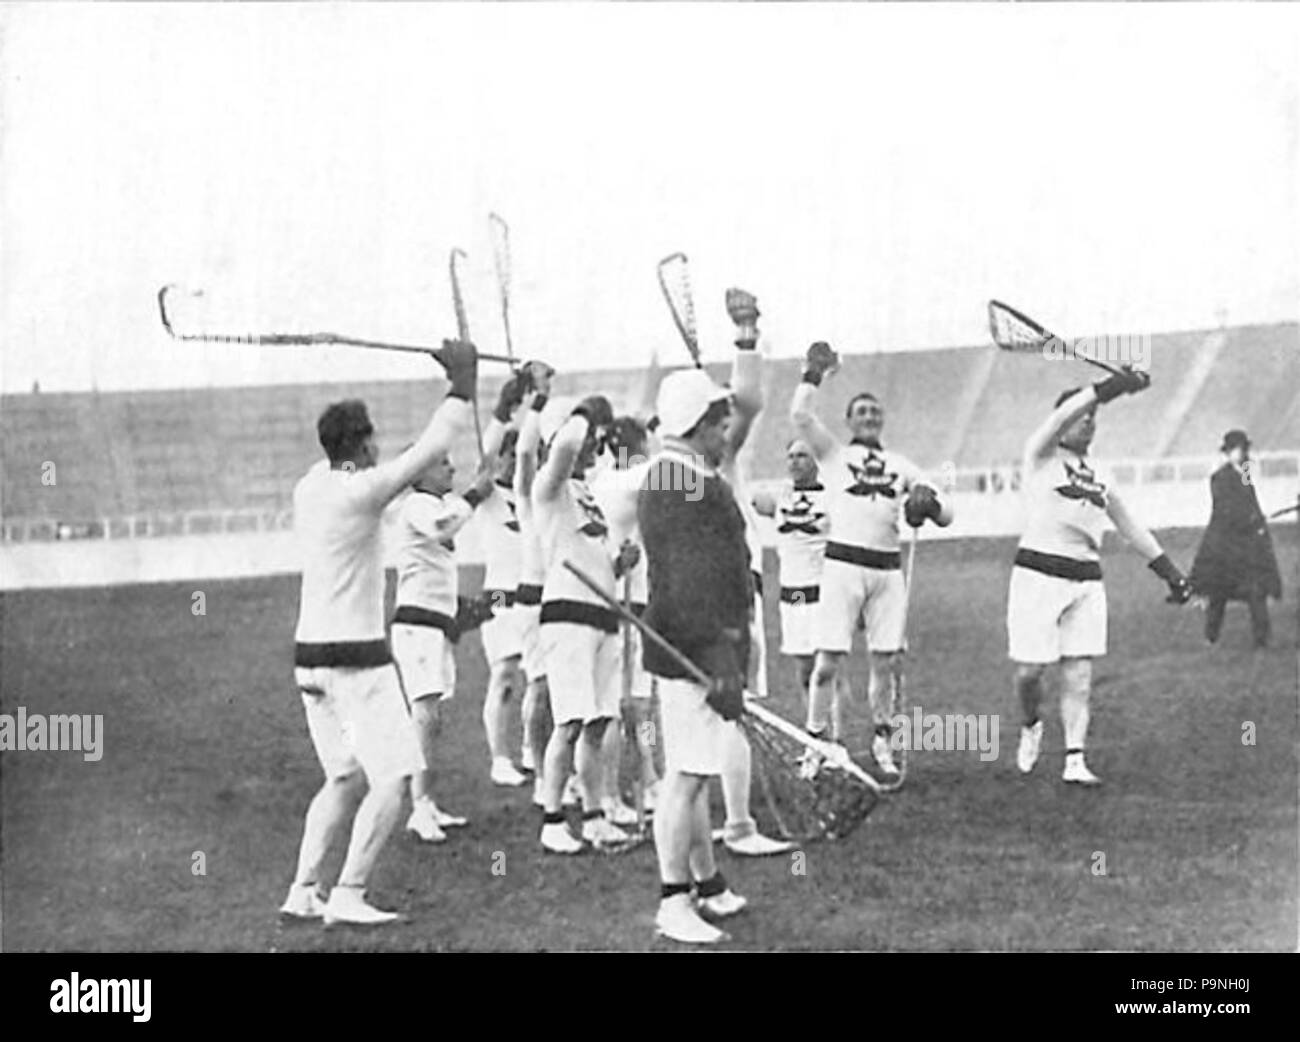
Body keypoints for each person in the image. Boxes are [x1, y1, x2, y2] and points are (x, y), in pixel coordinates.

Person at [279, 341, 477, 927]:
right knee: (391, 779)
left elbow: (403, 469)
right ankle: (349, 892)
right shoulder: (359, 489)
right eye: (371, 440)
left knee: (343, 777)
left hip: (308, 660)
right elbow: (429, 451)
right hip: (353, 661)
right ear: (362, 442)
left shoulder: (311, 486)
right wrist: (461, 386)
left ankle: (302, 890)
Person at [1009, 373, 1192, 786]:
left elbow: (1130, 526)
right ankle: (1031, 722)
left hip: (1086, 579)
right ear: (1061, 419)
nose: (1090, 422)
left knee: (1079, 674)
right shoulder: (1038, 455)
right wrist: (1111, 387)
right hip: (1037, 575)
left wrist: (1170, 573)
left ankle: (1075, 758)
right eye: (1083, 415)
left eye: (1095, 417)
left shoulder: (1101, 475)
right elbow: (1068, 411)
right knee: (1029, 674)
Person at [790, 342, 954, 780]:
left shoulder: (900, 464)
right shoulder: (834, 456)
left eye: (873, 412)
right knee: (827, 662)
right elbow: (801, 417)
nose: (868, 417)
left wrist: (930, 505)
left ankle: (883, 739)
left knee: (886, 662)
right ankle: (816, 742)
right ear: (848, 421)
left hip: (887, 571)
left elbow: (946, 508)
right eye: (860, 412)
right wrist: (813, 374)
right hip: (842, 567)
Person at [640, 365, 753, 944]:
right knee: (684, 778)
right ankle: (672, 898)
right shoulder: (679, 481)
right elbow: (692, 581)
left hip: (696, 646)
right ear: (694, 423)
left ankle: (707, 885)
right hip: (694, 650)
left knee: (697, 770)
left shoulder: (679, 474)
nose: (724, 428)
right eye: (716, 419)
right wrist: (721, 654)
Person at [532, 395, 641, 853]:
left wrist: (619, 564)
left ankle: (595, 815)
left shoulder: (589, 492)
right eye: (592, 436)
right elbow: (566, 443)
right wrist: (585, 412)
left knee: (599, 721)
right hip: (568, 617)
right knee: (571, 721)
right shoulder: (548, 486)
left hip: (603, 616)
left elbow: (589, 557)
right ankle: (553, 820)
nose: (597, 441)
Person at [390, 449, 495, 843]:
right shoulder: (417, 505)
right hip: (417, 626)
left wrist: (483, 480)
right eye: (442, 463)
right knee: (425, 717)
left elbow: (457, 511)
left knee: (433, 720)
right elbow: (444, 526)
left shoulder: (439, 502)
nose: (451, 467)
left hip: (435, 625)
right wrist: (475, 494)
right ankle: (418, 807)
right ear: (420, 474)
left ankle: (427, 802)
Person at [752, 438, 850, 738]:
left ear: (816, 462)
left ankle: (837, 739)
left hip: (823, 593)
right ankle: (816, 742)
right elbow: (755, 500)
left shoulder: (833, 499)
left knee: (828, 670)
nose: (795, 462)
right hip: (792, 597)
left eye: (803, 456)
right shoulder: (781, 496)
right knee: (805, 672)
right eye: (791, 456)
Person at [477, 380, 530, 788]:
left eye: (518, 455)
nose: (511, 462)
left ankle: (531, 749)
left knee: (540, 682)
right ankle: (499, 757)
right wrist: (506, 407)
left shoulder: (532, 498)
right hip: (497, 596)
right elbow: (485, 455)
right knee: (506, 675)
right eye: (506, 456)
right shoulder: (490, 494)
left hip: (533, 599)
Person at [1190, 430, 1282, 648]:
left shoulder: (1246, 472)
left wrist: (1257, 519)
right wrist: (1249, 519)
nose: (1242, 454)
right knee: (1219, 593)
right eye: (1238, 449)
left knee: (1256, 591)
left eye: (1244, 449)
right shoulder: (1219, 478)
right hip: (1225, 544)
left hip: (1247, 545)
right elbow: (1225, 510)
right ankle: (1211, 637)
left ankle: (1262, 640)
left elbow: (1251, 500)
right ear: (1229, 452)